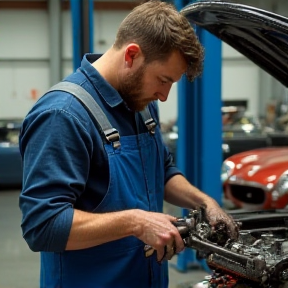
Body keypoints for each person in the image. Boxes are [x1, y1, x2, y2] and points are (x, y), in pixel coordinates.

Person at [19, 1, 239, 287]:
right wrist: (136, 222)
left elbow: (162, 171)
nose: (164, 96)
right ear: (132, 55)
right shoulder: (63, 116)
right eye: (162, 80)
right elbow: (42, 225)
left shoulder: (140, 105)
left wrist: (205, 202)